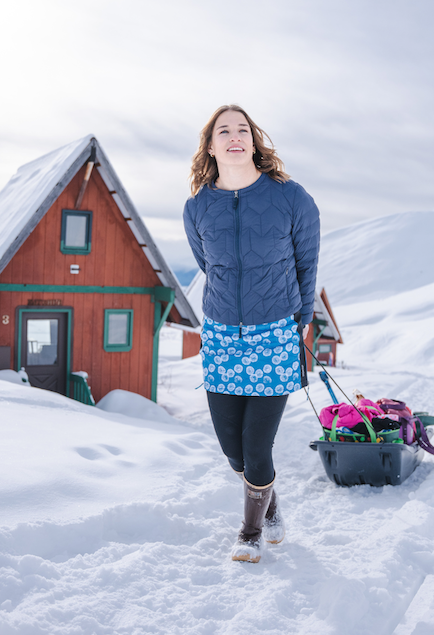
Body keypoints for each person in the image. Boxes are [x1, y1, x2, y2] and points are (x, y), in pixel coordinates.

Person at [183, 104, 320, 563]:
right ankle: (270, 506)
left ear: (254, 141)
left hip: (275, 333)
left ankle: (250, 532)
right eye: (224, 131)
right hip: (221, 336)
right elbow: (208, 265)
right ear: (210, 146)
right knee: (234, 451)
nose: (235, 136)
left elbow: (306, 261)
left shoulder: (290, 197)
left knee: (257, 446)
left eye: (243, 129)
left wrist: (300, 316)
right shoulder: (198, 207)